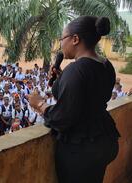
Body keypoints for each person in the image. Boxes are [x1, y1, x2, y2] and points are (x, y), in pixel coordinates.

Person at [28, 16, 120, 183]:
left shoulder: (76, 70)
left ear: (75, 39)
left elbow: (62, 117)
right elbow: (86, 95)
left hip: (82, 150)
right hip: (104, 139)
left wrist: (39, 104)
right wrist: (62, 78)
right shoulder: (106, 65)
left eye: (62, 39)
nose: (61, 44)